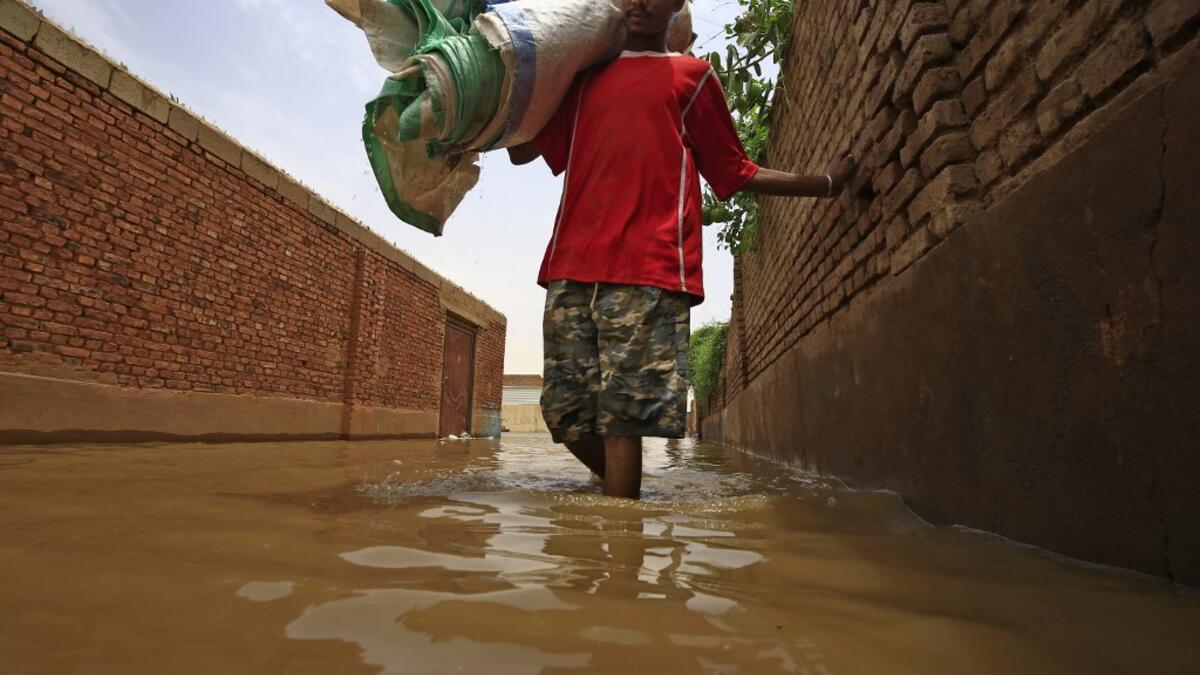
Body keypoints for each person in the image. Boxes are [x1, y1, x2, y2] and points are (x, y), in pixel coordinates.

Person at [508, 0, 853, 499]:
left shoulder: (693, 78)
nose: (639, 2)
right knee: (563, 414)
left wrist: (824, 183)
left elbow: (736, 171)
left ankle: (622, 530)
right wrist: (510, 83)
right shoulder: (583, 80)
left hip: (649, 267)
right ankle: (615, 492)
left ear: (675, 5)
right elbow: (523, 149)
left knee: (623, 420)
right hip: (570, 265)